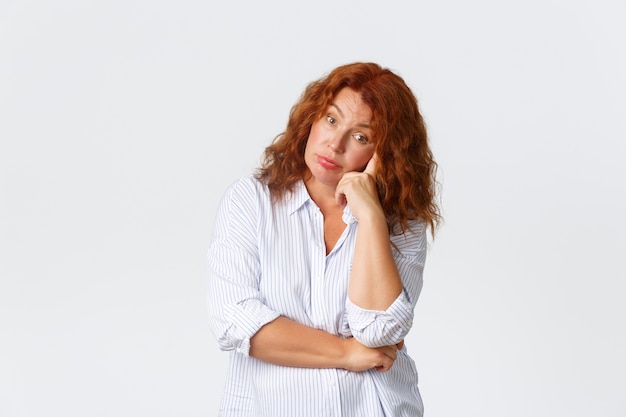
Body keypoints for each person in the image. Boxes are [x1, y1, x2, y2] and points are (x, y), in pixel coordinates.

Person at [207, 62, 440, 417]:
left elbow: (379, 331)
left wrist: (372, 219)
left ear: (385, 155)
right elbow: (233, 321)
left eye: (361, 137)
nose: (334, 144)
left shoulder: (401, 224)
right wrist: (348, 353)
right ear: (312, 118)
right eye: (331, 120)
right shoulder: (250, 201)